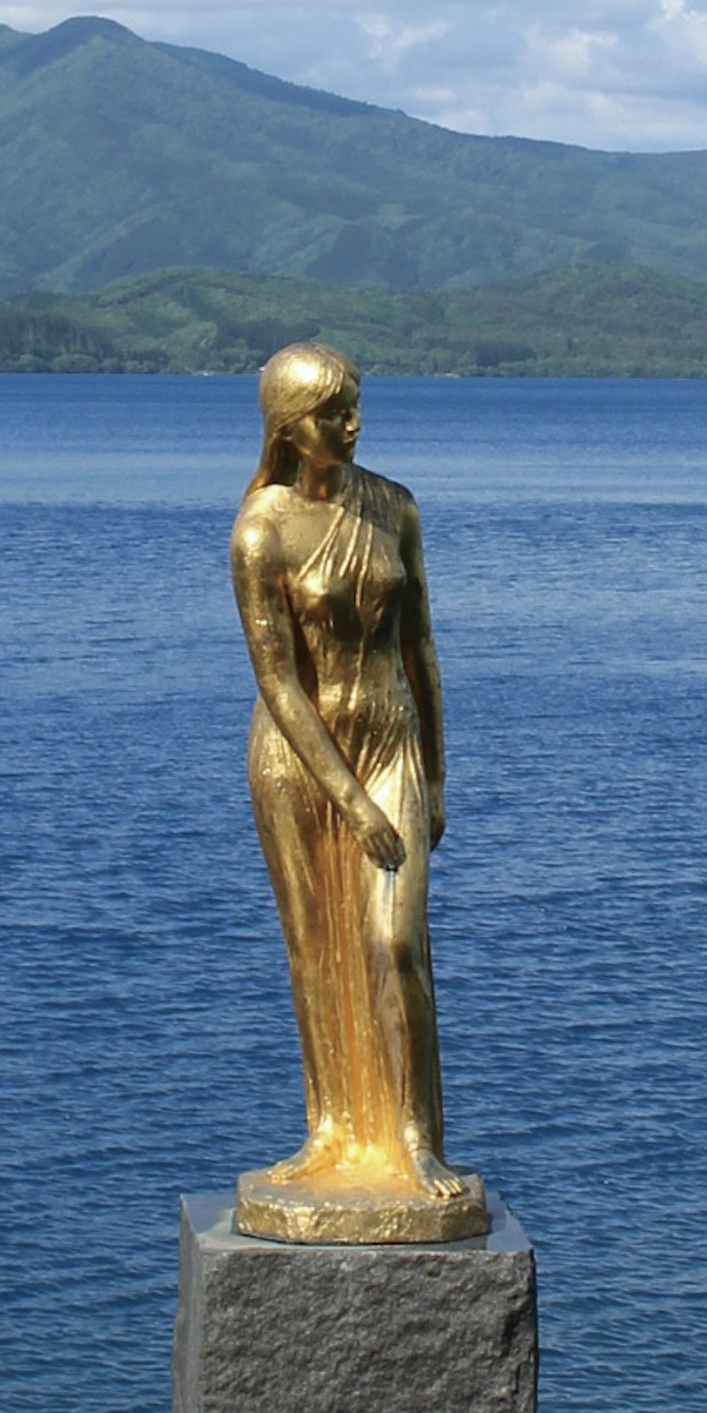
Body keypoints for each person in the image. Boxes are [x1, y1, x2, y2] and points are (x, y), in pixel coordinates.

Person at [229, 341, 481, 1229]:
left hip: (393, 744)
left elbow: (421, 651)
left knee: (395, 944)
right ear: (290, 431)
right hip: (303, 765)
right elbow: (278, 682)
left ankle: (415, 1137)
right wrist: (351, 800)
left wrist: (437, 778)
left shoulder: (395, 508)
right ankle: (333, 1129)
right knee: (316, 953)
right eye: (334, 414)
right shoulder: (261, 528)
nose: (354, 424)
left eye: (355, 406)